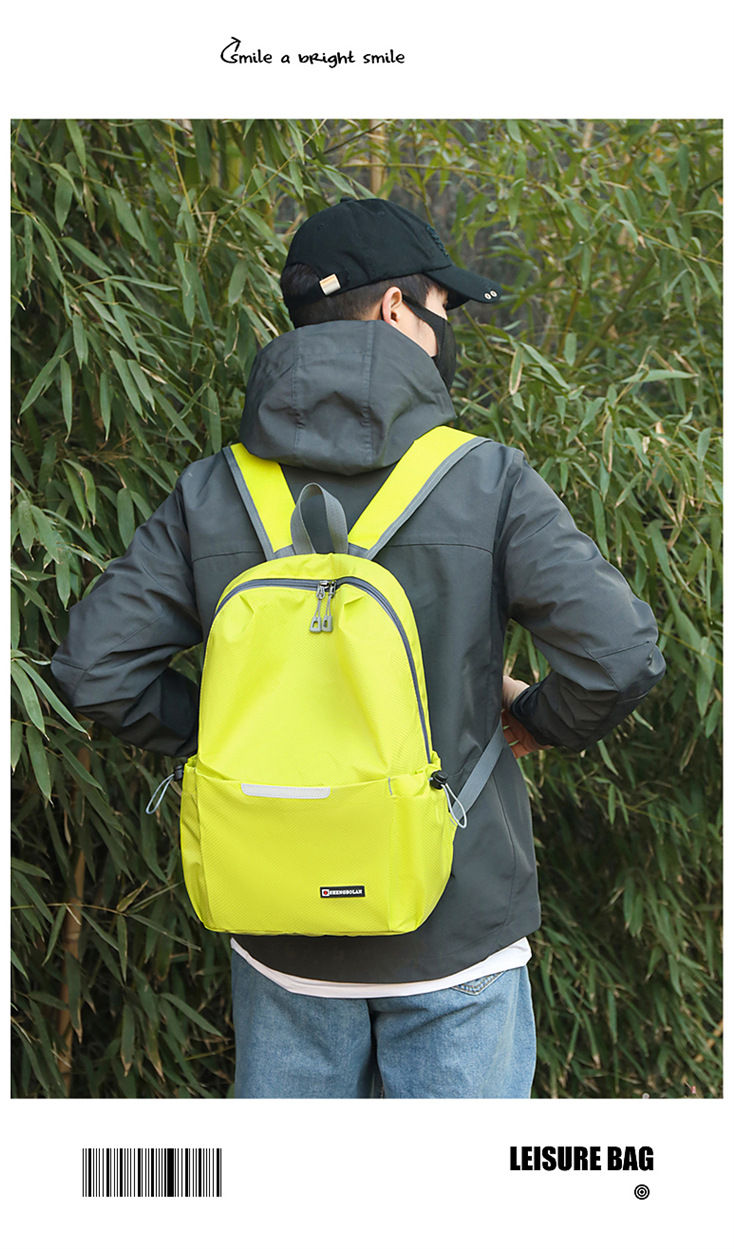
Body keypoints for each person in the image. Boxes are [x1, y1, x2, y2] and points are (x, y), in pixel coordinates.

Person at [50, 196, 665, 1099]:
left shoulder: (213, 491)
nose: (449, 331)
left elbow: (93, 668)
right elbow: (620, 654)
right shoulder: (486, 480)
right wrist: (533, 719)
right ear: (395, 308)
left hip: (284, 933)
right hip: (455, 926)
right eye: (444, 308)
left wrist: (227, 738)